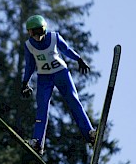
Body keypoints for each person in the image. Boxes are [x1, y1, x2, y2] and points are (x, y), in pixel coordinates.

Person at [21, 15, 96, 155]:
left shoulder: (54, 37)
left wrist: (79, 59)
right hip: (44, 78)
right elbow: (30, 65)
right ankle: (37, 142)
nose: (37, 36)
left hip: (61, 73)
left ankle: (90, 133)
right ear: (29, 32)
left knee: (73, 101)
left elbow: (66, 50)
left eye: (39, 31)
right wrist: (25, 82)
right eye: (33, 32)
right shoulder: (29, 45)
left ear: (44, 29)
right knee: (42, 108)